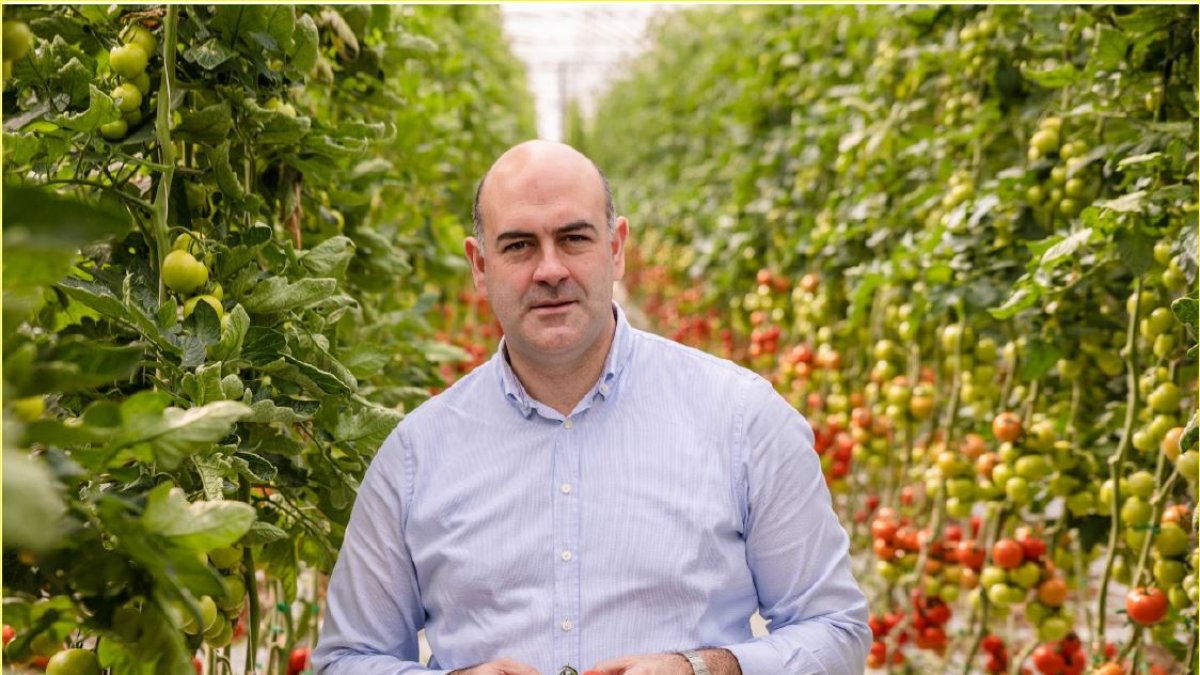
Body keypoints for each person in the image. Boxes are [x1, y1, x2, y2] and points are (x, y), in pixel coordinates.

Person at [312, 140, 871, 675]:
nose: (550, 269)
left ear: (616, 248)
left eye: (574, 239)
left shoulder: (743, 419)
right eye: (518, 246)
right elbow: (346, 658)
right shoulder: (415, 455)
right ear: (479, 266)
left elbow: (836, 630)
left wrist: (705, 668)